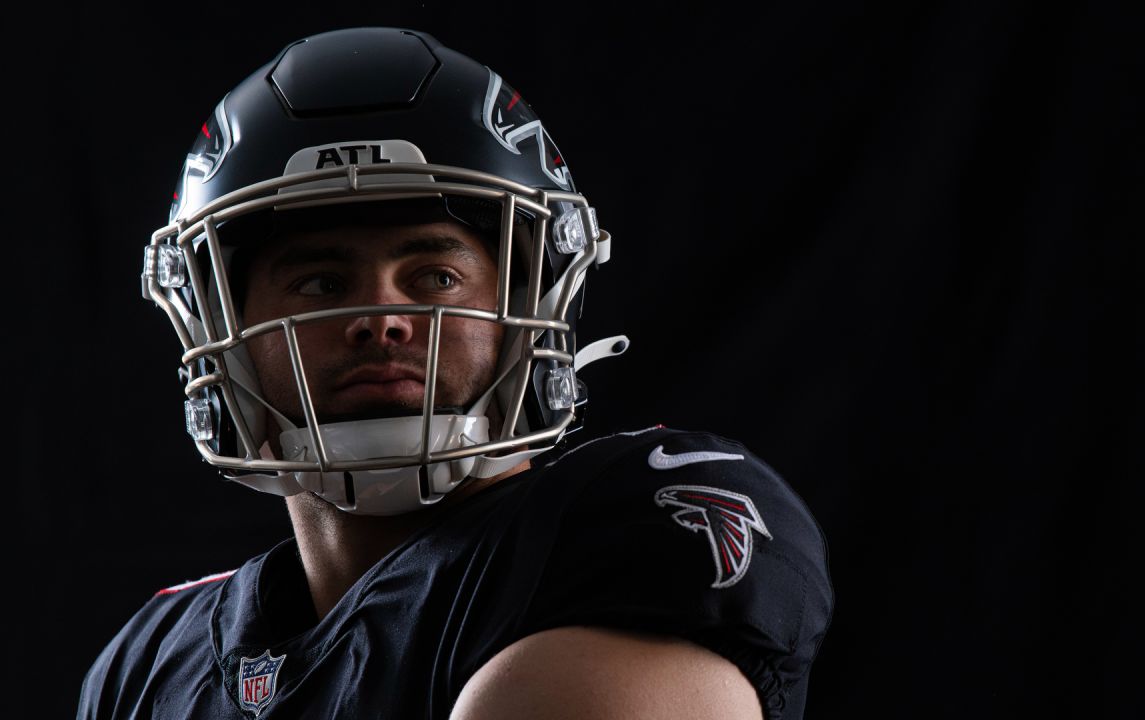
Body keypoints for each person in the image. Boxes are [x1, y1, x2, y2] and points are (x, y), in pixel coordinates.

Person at [80, 26, 834, 719]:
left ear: (527, 297)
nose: (382, 316)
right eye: (320, 283)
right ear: (226, 327)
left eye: (435, 275)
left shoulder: (601, 538)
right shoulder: (153, 662)